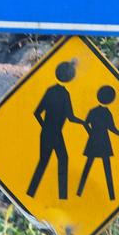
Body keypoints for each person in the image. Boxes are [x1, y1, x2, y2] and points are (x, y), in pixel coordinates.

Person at [27, 61, 83, 200]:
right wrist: (83, 122)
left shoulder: (50, 90)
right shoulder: (64, 94)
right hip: (55, 133)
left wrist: (45, 126)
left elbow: (37, 113)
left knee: (45, 161)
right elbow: (70, 117)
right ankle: (62, 196)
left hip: (47, 132)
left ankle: (31, 192)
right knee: (62, 159)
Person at [76, 85, 119, 200]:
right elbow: (112, 128)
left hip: (94, 139)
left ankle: (79, 192)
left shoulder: (93, 111)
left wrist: (91, 133)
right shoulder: (107, 113)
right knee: (106, 167)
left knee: (89, 165)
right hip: (104, 140)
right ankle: (111, 195)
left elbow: (85, 123)